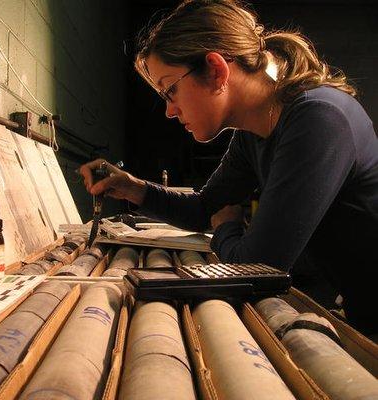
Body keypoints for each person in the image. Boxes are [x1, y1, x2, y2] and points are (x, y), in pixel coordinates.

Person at [79, 0, 378, 335]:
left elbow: (258, 267)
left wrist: (226, 230)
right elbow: (207, 207)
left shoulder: (318, 118)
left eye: (170, 90)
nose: (170, 111)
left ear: (217, 70)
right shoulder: (253, 133)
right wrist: (132, 187)